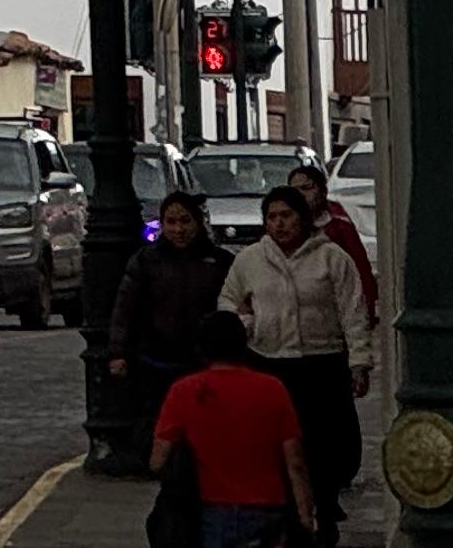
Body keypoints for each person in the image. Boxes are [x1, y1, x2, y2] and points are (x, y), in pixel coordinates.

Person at [228, 188, 370, 548]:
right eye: (272, 217)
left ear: (303, 218)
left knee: (321, 446)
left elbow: (353, 312)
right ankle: (287, 516)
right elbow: (229, 304)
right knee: (276, 447)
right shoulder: (249, 261)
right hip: (270, 363)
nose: (280, 224)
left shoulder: (332, 259)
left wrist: (359, 362)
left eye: (286, 215)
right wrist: (245, 324)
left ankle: (324, 511)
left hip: (321, 365)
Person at [156, 307, 315, 548]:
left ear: (203, 348)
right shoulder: (272, 389)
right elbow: (295, 462)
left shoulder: (184, 391)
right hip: (268, 511)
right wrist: (305, 518)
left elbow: (158, 460)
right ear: (244, 346)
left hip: (209, 510)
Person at [111, 196, 235, 454]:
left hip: (202, 361)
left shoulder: (219, 261)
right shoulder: (146, 260)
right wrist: (118, 352)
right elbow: (126, 308)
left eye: (185, 221)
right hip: (155, 360)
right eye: (171, 222)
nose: (178, 229)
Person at [285, 166, 378, 328]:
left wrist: (365, 314)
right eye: (294, 190)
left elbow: (361, 271)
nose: (300, 195)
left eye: (307, 188)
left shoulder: (339, 228)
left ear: (322, 192)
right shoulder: (279, 229)